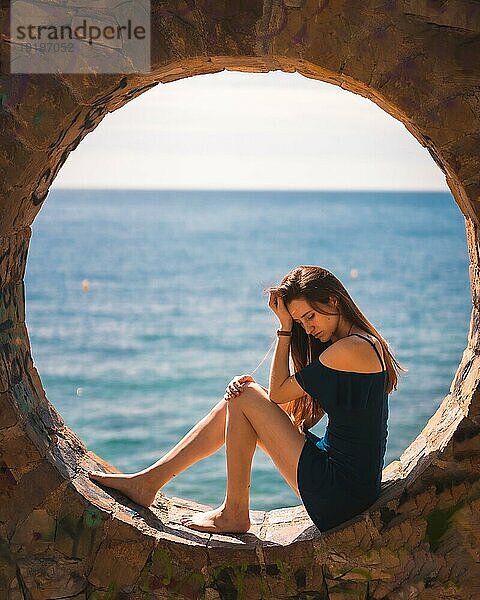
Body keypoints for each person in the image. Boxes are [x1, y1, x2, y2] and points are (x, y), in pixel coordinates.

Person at [88, 265, 406, 534]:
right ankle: (149, 482)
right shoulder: (360, 343)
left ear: (333, 301)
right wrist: (253, 402)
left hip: (340, 494)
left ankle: (234, 513)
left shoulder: (349, 349)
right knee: (238, 400)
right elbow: (288, 405)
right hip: (345, 484)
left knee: (243, 396)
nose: (307, 329)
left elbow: (279, 392)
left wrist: (284, 331)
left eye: (310, 317)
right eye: (299, 323)